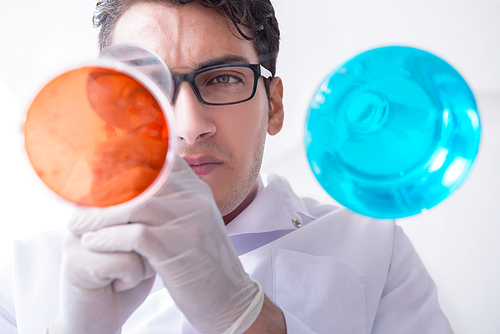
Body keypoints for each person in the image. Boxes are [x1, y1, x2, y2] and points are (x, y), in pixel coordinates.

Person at [0, 0, 454, 333]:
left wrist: (246, 315)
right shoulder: (21, 272)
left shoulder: (375, 247)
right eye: (145, 86)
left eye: (222, 79)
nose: (188, 126)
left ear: (273, 106)